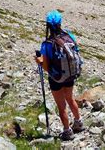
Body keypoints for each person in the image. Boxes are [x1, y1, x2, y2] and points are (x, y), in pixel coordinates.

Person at [35, 10, 84, 141]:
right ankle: (78, 122)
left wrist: (39, 61)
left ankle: (67, 131)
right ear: (60, 23)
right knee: (70, 98)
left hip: (56, 78)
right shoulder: (69, 36)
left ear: (48, 25)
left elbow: (46, 67)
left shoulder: (47, 44)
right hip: (70, 74)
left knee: (61, 105)